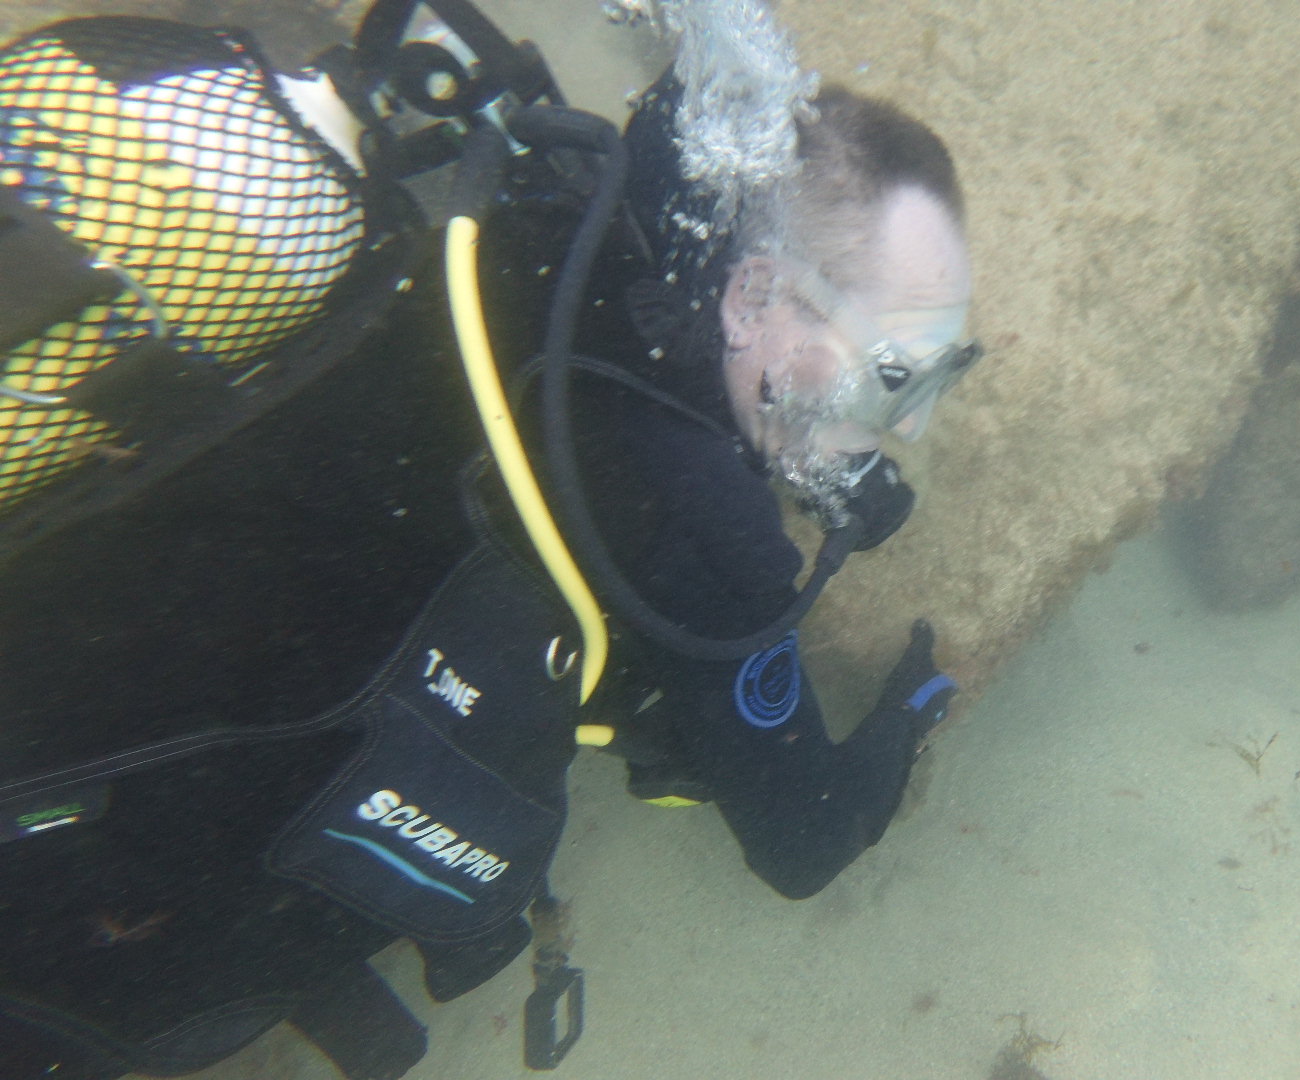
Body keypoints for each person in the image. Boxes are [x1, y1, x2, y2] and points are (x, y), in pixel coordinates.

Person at [0, 1, 976, 1077]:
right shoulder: (707, 534)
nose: (913, 425)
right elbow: (806, 843)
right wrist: (910, 710)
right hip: (68, 880)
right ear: (751, 292)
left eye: (942, 372)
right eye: (898, 376)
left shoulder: (557, 189)